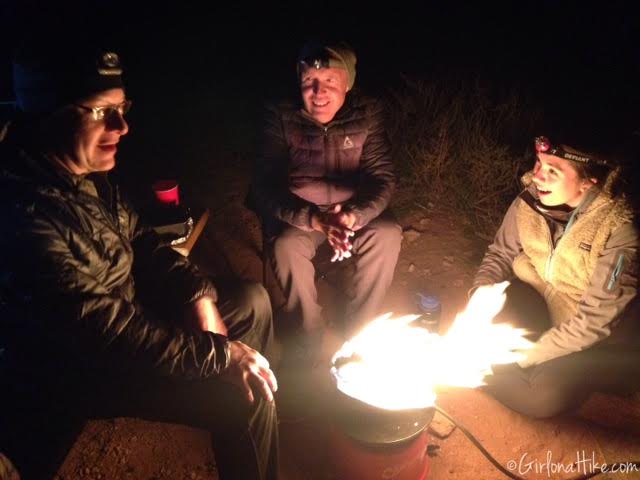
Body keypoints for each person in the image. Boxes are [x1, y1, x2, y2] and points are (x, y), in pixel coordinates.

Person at [0, 42, 279, 479]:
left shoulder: (87, 175)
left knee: (252, 299)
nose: (122, 125)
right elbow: (107, 331)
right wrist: (220, 357)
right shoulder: (26, 215)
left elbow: (141, 240)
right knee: (245, 396)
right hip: (84, 367)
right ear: (46, 115)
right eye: (98, 110)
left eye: (122, 106)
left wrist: (198, 295)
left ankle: (260, 400)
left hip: (126, 320)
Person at [471, 128, 639, 418]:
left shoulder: (619, 229)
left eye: (553, 170)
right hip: (542, 302)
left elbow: (594, 322)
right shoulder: (528, 202)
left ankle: (480, 371)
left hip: (592, 336)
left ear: (588, 181)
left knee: (541, 399)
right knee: (486, 319)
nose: (538, 176)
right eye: (539, 164)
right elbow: (499, 255)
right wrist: (477, 302)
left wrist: (526, 355)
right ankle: (495, 366)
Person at [250, 40, 402, 363]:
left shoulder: (367, 114)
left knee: (387, 234)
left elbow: (383, 177)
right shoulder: (280, 115)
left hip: (351, 213)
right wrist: (311, 219)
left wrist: (353, 216)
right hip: (303, 216)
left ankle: (360, 331)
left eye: (330, 82)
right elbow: (265, 185)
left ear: (347, 83)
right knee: (286, 247)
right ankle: (310, 333)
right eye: (309, 82)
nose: (318, 92)